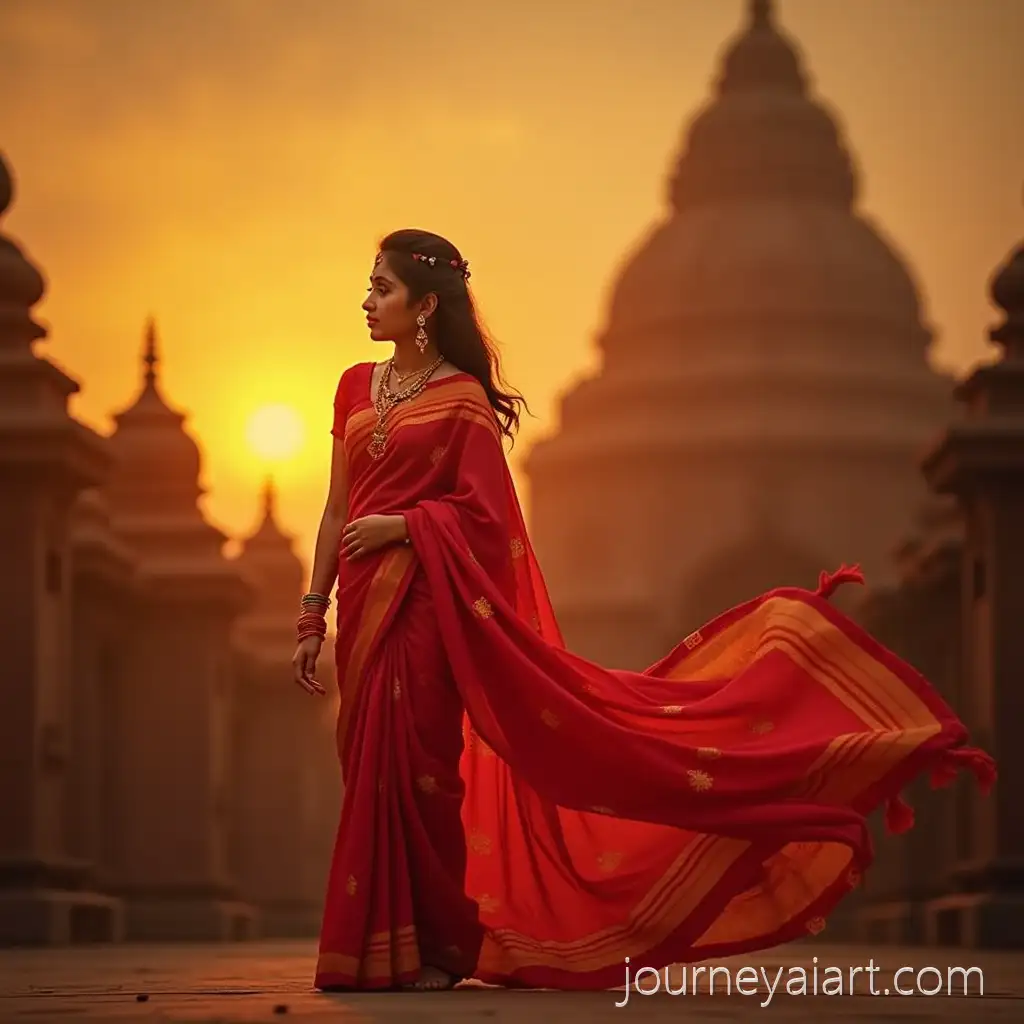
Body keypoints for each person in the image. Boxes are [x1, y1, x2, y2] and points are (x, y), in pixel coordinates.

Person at [292, 228, 995, 994]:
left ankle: (435, 949)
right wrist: (311, 613)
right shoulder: (353, 388)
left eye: (383, 288)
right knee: (368, 770)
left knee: (425, 772)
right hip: (363, 608)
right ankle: (368, 945)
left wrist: (406, 526)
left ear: (426, 305)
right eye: (369, 286)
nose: (367, 301)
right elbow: (335, 510)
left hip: (428, 607)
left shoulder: (463, 402)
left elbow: (486, 518)